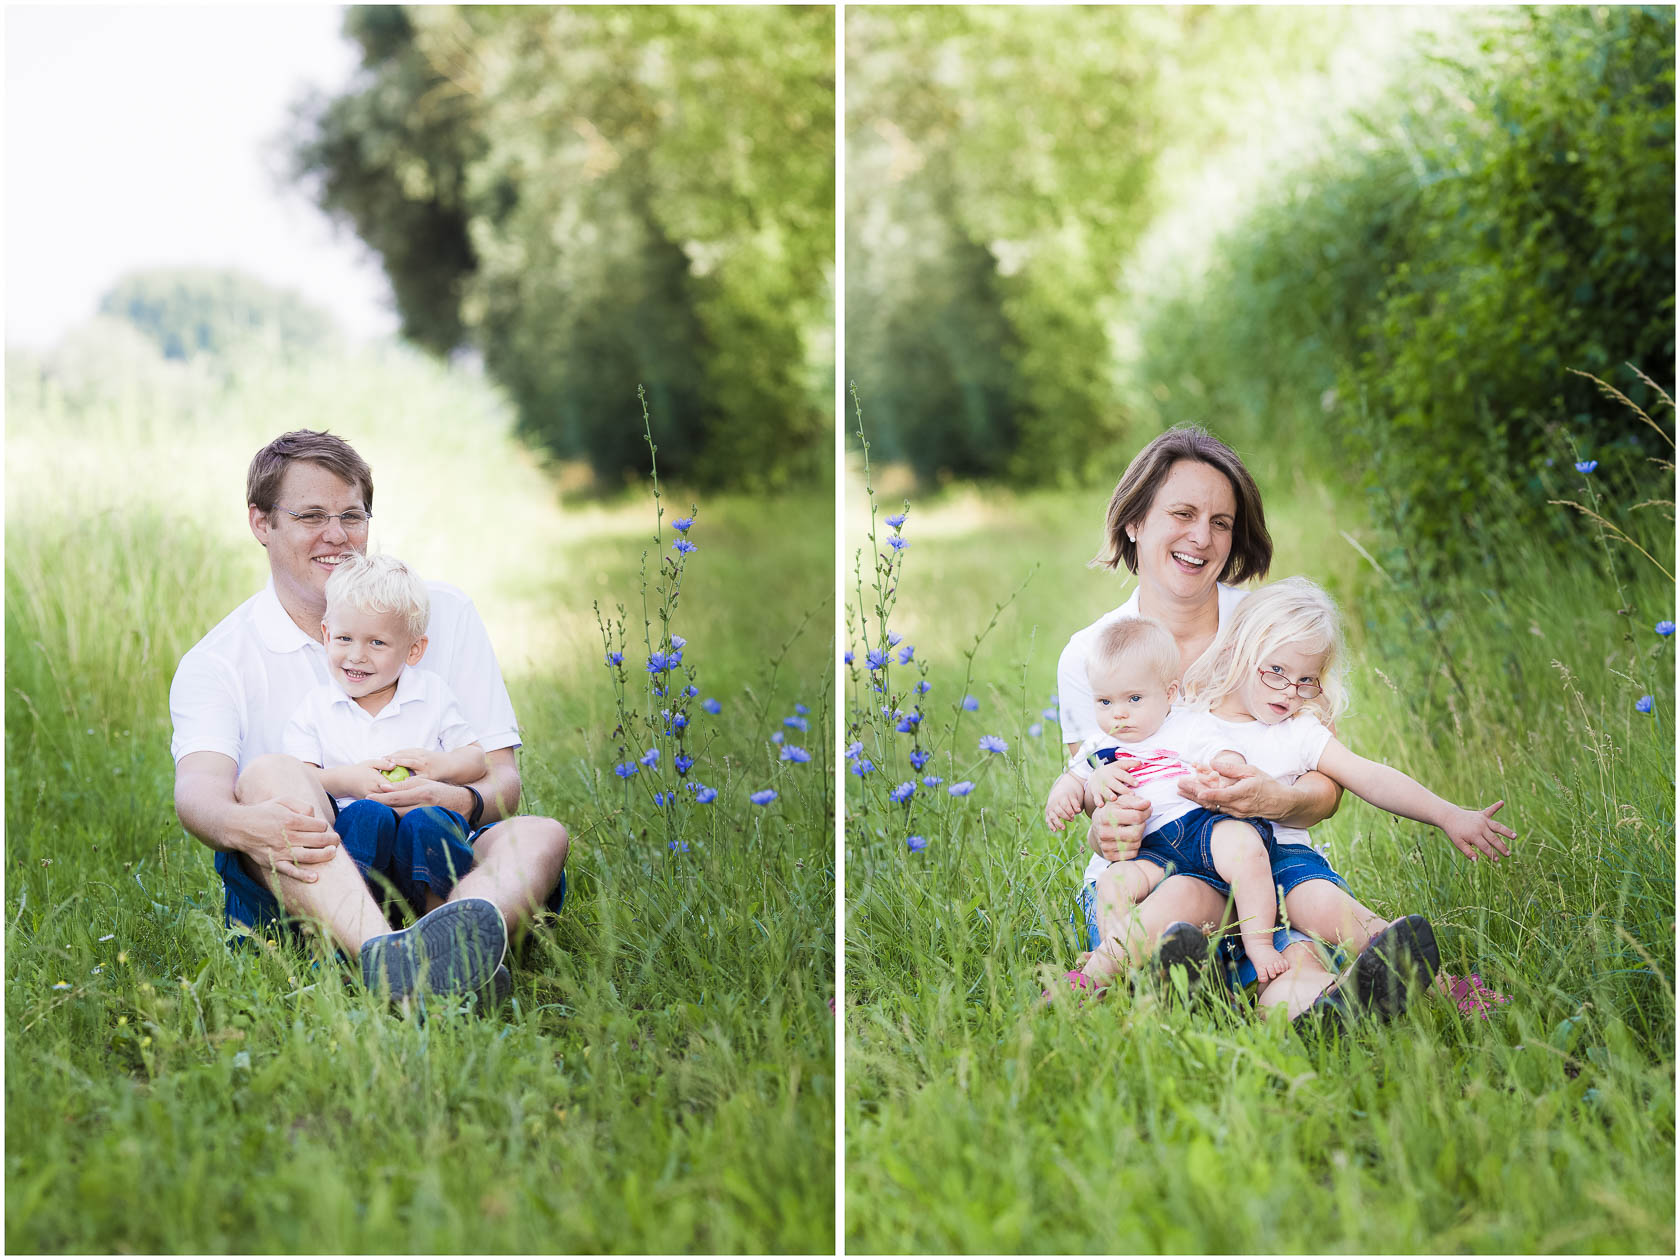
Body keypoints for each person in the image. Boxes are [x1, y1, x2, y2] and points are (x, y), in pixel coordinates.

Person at [1056, 424, 1492, 1021]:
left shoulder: (1265, 626)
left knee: (1298, 962)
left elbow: (1324, 785)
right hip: (1152, 873)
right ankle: (1169, 975)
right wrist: (1107, 828)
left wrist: (1273, 798)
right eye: (1181, 513)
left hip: (1257, 862)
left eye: (1220, 522)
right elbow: (1093, 791)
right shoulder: (1093, 653)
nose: (1200, 537)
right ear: (1134, 521)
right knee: (1183, 909)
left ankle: (1326, 1014)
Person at [170, 430, 570, 1001]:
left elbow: (503, 782)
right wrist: (248, 826)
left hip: (434, 851)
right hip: (310, 868)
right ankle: (391, 957)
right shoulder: (219, 660)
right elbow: (199, 794)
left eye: (351, 516)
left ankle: (448, 946)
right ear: (261, 523)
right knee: (269, 774)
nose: (336, 536)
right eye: (311, 515)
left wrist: (454, 798)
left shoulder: (440, 614)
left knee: (541, 835)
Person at [1044, 617, 1290, 993]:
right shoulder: (1099, 746)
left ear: (1169, 693)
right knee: (1113, 882)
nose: (1119, 714)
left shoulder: (1188, 725)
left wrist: (1224, 771)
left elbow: (1220, 751)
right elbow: (1073, 777)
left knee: (1245, 849)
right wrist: (1063, 795)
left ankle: (1259, 943)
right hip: (1151, 848)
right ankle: (1116, 957)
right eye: (1105, 702)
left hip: (1200, 827)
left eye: (1134, 699)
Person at [284, 551, 492, 928]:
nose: (356, 656)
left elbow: (478, 759)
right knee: (368, 815)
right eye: (345, 638)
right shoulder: (316, 708)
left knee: (430, 821)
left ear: (414, 650)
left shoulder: (432, 694)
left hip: (421, 837)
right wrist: (349, 781)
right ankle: (352, 931)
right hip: (359, 848)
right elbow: (299, 776)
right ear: (326, 635)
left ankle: (438, 924)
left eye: (377, 643)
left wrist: (439, 765)